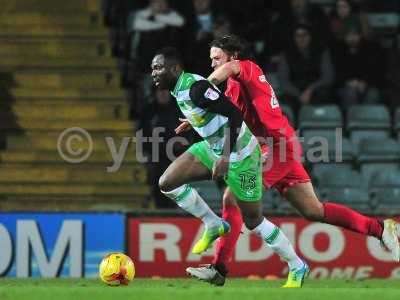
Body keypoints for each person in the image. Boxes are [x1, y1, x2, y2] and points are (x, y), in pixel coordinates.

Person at [178, 34, 400, 285]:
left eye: (216, 58)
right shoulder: (231, 88)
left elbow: (228, 70)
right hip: (280, 147)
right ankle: (381, 229)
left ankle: (219, 269)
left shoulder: (247, 68)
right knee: (313, 210)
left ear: (233, 56)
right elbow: (228, 115)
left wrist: (201, 88)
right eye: (211, 60)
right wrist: (194, 118)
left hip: (278, 148)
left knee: (234, 197)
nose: (213, 64)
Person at [151, 47, 309, 287]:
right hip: (212, 147)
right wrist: (193, 124)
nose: (153, 73)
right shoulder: (179, 89)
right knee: (166, 183)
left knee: (254, 221)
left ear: (174, 69)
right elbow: (213, 115)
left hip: (242, 155)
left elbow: (234, 115)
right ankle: (213, 223)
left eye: (158, 68)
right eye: (153, 68)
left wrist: (224, 157)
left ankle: (297, 265)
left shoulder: (196, 87)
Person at [277, 24, 334, 112]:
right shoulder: (286, 54)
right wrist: (299, 95)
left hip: (317, 90)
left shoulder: (322, 51)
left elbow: (328, 77)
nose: (301, 38)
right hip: (294, 92)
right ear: (294, 38)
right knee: (283, 102)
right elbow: (283, 81)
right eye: (298, 35)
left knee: (326, 95)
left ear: (310, 36)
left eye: (305, 35)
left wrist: (310, 90)